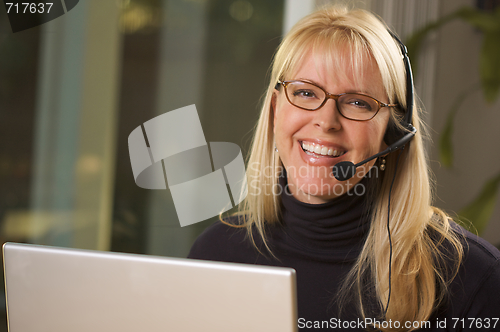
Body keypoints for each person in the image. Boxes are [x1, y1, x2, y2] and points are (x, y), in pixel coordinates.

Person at [188, 6, 500, 331]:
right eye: (306, 93)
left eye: (357, 102)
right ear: (275, 108)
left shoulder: (471, 277)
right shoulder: (216, 253)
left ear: (394, 134)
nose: (325, 121)